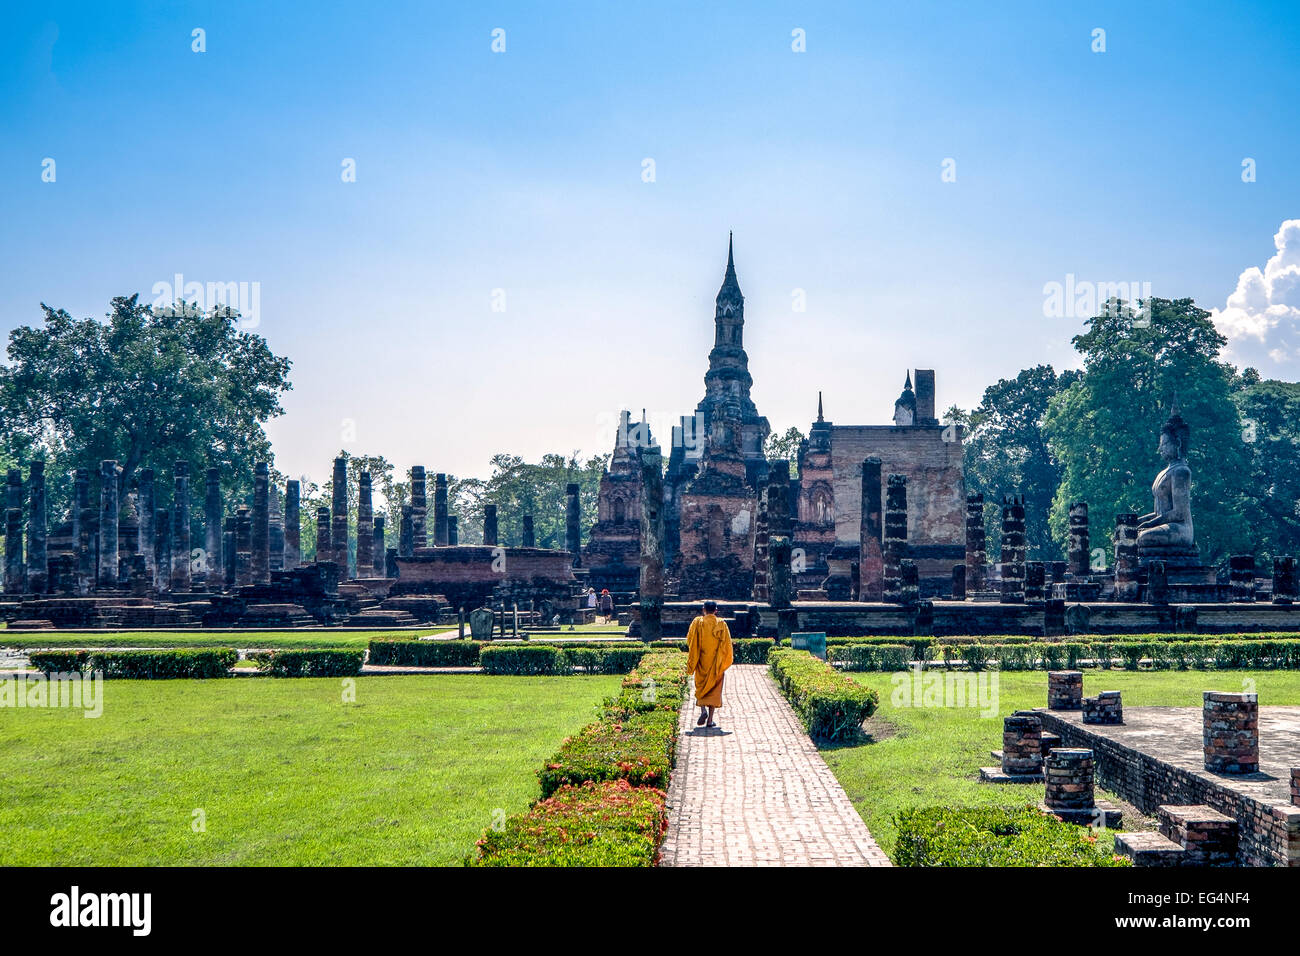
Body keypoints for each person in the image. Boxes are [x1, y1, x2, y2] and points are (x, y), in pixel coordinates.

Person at [686, 600, 733, 728]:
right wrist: (723, 660)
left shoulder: (698, 623)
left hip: (702, 661)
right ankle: (710, 720)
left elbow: (690, 640)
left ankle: (702, 710)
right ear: (716, 610)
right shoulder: (721, 624)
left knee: (700, 687)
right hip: (716, 663)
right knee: (715, 690)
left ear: (703, 609)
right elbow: (727, 645)